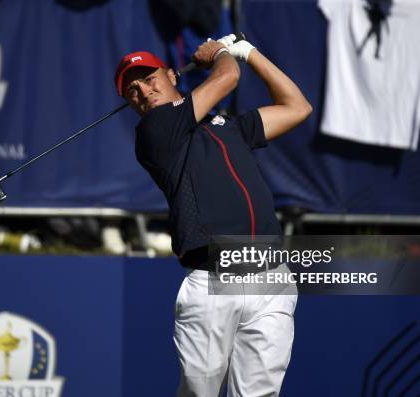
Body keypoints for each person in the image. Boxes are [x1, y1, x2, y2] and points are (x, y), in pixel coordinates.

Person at [114, 34, 311, 396]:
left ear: (172, 75)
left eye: (148, 77)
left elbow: (297, 106)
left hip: (272, 277)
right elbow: (226, 78)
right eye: (132, 91)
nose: (142, 91)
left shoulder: (227, 127)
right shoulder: (155, 131)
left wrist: (251, 53)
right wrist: (220, 54)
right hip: (213, 279)